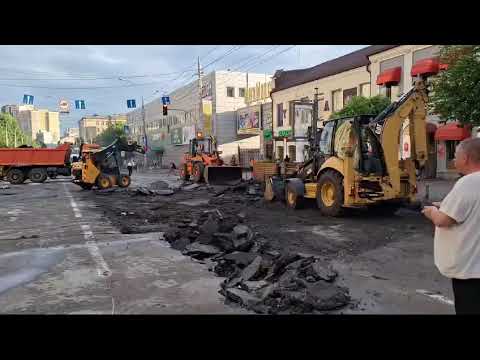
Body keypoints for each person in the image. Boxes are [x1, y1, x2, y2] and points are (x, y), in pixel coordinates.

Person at [422, 138, 480, 314]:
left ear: (466, 158)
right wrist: (445, 204)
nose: (454, 160)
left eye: (455, 155)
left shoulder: (468, 182)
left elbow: (444, 220)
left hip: (470, 271)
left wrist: (432, 211)